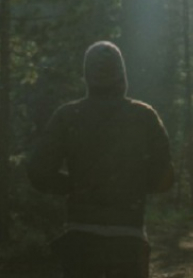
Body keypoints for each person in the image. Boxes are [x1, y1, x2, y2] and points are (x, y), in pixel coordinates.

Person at [28, 41, 174, 278]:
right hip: (129, 236)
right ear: (122, 77)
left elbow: (37, 173)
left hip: (80, 237)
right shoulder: (144, 116)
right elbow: (166, 178)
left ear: (87, 77)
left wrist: (73, 186)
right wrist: (131, 186)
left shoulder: (68, 116)